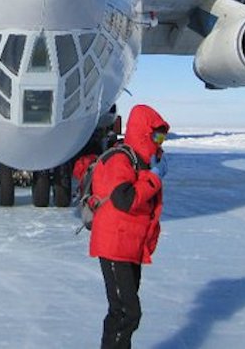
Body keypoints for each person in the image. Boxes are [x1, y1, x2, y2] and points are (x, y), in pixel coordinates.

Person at [88, 104, 169, 349]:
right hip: (115, 245)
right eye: (156, 135)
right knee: (126, 313)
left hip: (129, 245)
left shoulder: (140, 162)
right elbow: (123, 199)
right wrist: (154, 178)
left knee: (122, 312)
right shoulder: (120, 159)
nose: (160, 141)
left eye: (162, 136)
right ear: (143, 133)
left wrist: (150, 173)